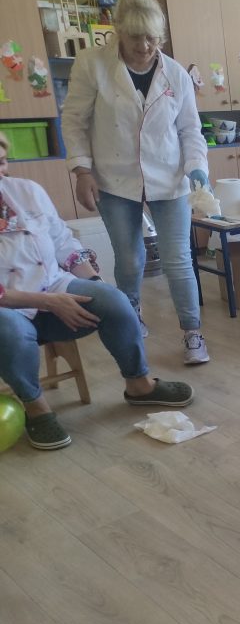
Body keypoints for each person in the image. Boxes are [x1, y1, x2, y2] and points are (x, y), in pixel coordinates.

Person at [0, 132, 194, 450]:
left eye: (2, 162)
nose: (2, 173)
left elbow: (62, 242)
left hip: (53, 286)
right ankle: (36, 409)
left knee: (114, 300)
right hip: (8, 308)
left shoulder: (27, 191)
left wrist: (95, 283)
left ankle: (139, 384)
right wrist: (50, 302)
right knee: (7, 329)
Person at [61, 0, 211, 365]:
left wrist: (197, 168)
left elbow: (190, 129)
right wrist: (81, 170)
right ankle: (131, 320)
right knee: (129, 259)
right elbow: (75, 121)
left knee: (178, 258)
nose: (144, 46)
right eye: (135, 37)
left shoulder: (175, 74)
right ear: (118, 32)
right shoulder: (92, 64)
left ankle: (193, 333)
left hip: (169, 176)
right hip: (113, 178)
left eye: (152, 38)